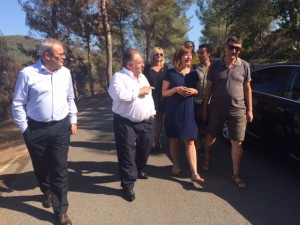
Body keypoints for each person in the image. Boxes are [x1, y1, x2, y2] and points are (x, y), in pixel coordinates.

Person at [11, 38, 77, 225]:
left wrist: (73, 120)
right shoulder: (27, 74)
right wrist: (25, 130)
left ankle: (61, 210)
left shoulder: (65, 73)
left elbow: (71, 98)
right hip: (36, 129)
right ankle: (46, 190)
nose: (64, 57)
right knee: (41, 166)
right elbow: (17, 104)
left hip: (60, 127)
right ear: (47, 56)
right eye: (60, 55)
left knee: (59, 167)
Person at [201, 36, 253, 189]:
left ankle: (235, 174)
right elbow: (209, 88)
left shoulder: (244, 66)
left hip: (238, 109)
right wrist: (204, 107)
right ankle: (207, 156)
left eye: (238, 48)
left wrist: (250, 109)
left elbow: (247, 88)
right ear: (225, 47)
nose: (234, 51)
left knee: (237, 141)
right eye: (231, 47)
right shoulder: (215, 66)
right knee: (211, 135)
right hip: (216, 108)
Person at [108, 48, 156, 202]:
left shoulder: (142, 76)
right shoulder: (118, 77)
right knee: (127, 154)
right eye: (139, 62)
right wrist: (138, 91)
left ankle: (139, 168)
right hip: (125, 123)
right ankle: (128, 185)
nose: (142, 64)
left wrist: (152, 112)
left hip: (147, 121)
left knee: (145, 148)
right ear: (130, 64)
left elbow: (149, 96)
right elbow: (118, 95)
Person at [162, 45, 204, 184]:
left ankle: (194, 173)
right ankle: (176, 164)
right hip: (173, 111)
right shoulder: (170, 73)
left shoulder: (194, 73)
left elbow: (198, 91)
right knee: (174, 139)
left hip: (188, 111)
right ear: (179, 57)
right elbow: (164, 92)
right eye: (186, 54)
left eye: (191, 54)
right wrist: (175, 89)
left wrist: (193, 91)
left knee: (190, 140)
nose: (189, 57)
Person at [143, 47, 168, 151]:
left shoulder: (166, 67)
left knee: (159, 119)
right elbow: (142, 80)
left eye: (161, 54)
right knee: (150, 119)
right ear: (153, 56)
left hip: (162, 97)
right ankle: (149, 141)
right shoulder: (147, 67)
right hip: (150, 96)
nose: (159, 56)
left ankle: (157, 140)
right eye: (157, 54)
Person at [194, 44, 212, 155]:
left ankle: (208, 148)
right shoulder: (195, 68)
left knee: (209, 127)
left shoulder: (215, 68)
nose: (200, 55)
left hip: (211, 103)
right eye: (198, 53)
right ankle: (199, 147)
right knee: (197, 126)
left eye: (202, 53)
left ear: (209, 53)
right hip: (197, 102)